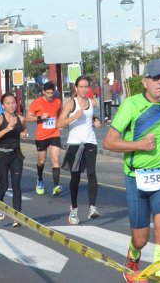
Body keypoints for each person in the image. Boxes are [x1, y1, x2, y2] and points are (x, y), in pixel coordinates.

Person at [103, 60, 160, 283]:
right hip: (136, 177)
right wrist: (139, 145)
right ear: (145, 82)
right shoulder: (131, 105)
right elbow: (109, 142)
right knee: (141, 238)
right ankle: (133, 258)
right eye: (155, 79)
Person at [59, 76, 102, 225]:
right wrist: (75, 117)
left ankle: (92, 207)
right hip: (75, 143)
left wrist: (95, 119)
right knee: (75, 177)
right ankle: (74, 208)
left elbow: (90, 116)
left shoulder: (92, 102)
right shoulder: (71, 103)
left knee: (91, 173)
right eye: (81, 87)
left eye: (86, 87)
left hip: (90, 141)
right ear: (76, 88)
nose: (83, 89)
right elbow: (59, 123)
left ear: (89, 88)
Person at [0, 92, 28, 227]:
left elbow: (24, 130)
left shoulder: (20, 119)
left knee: (16, 184)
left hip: (15, 154)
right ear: (3, 106)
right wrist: (6, 129)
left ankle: (17, 216)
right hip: (1, 155)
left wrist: (24, 134)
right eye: (8, 103)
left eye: (13, 103)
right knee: (4, 185)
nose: (11, 106)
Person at [25, 81, 64, 196]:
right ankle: (40, 179)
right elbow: (28, 117)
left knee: (55, 159)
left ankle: (56, 186)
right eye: (48, 93)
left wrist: (61, 122)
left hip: (54, 134)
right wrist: (40, 117)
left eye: (52, 93)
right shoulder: (37, 102)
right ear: (43, 92)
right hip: (41, 136)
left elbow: (60, 113)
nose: (50, 95)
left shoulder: (58, 102)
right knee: (41, 161)